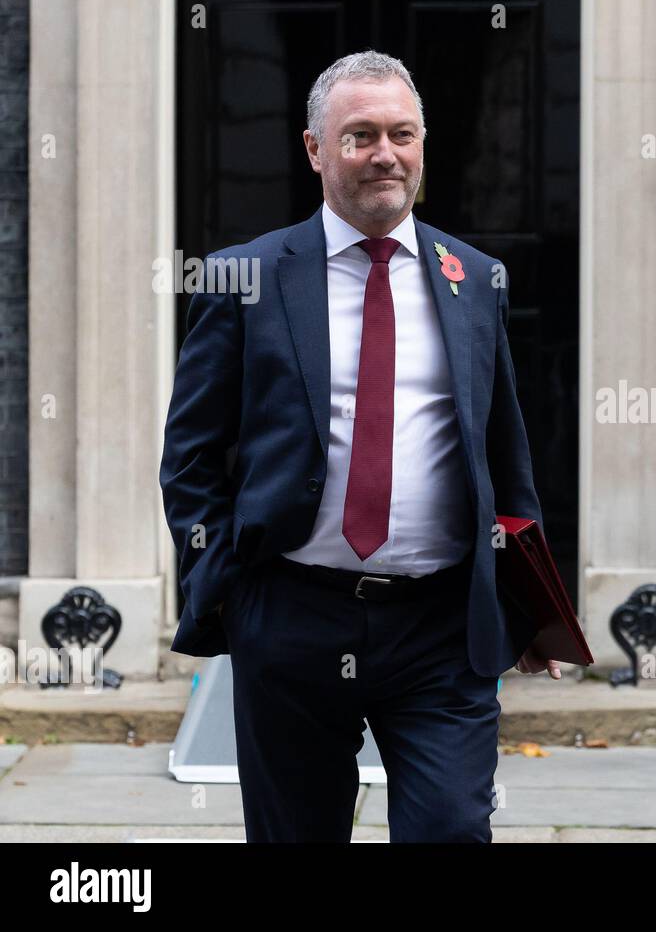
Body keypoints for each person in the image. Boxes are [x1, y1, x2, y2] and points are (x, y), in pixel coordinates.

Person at [159, 50, 561, 842]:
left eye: (402, 134)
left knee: (449, 828)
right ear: (315, 149)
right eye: (361, 135)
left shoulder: (474, 279)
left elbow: (505, 454)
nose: (386, 153)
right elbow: (191, 457)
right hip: (292, 619)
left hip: (441, 627)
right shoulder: (244, 279)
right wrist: (228, 593)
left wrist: (530, 607)